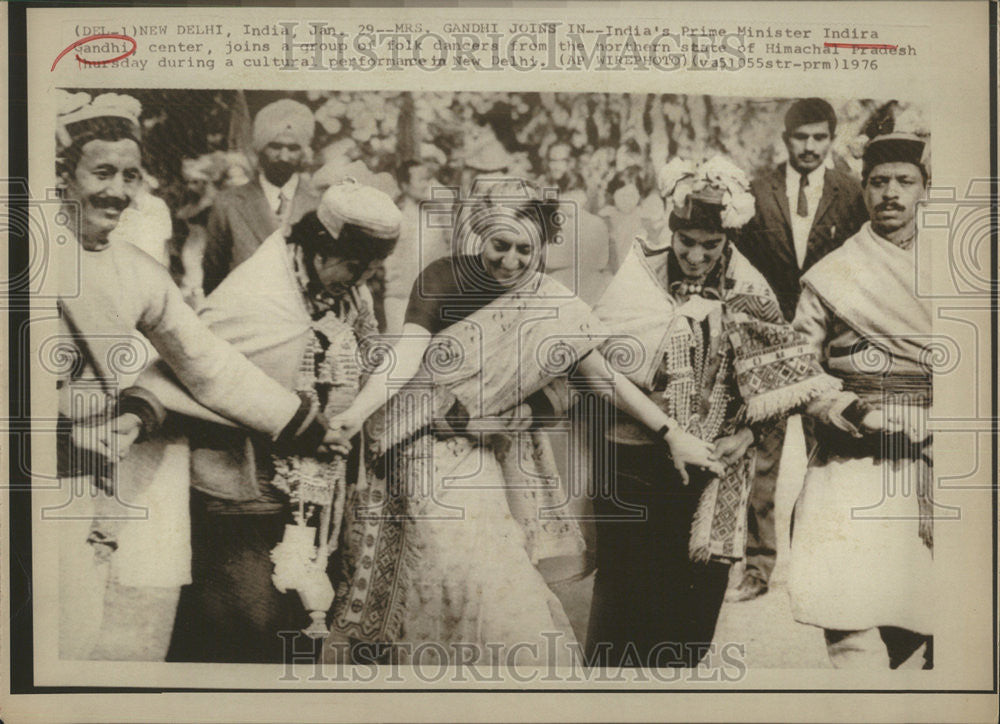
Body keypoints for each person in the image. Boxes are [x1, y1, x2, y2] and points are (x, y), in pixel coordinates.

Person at [322, 178, 722, 666]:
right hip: (417, 444)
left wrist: (671, 433)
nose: (511, 261)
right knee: (441, 577)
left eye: (524, 249)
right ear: (478, 236)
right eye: (500, 246)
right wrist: (355, 414)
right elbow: (407, 358)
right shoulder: (443, 277)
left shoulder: (548, 299)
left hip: (486, 455)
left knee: (491, 576)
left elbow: (601, 377)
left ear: (542, 248)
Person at [51, 91, 330, 661]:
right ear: (64, 174)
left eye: (130, 175)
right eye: (101, 172)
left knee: (121, 632)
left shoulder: (137, 270)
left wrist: (302, 423)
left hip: (111, 462)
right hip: (34, 471)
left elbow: (207, 363)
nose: (118, 191)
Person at [587, 156, 841, 668]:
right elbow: (596, 365)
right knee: (624, 604)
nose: (697, 256)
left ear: (728, 241)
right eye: (687, 242)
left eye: (711, 245)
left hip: (709, 469)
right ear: (671, 231)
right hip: (633, 459)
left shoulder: (748, 288)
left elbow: (782, 379)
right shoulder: (637, 280)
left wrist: (746, 436)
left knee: (689, 611)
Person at [160, 182, 399, 663]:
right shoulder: (256, 296)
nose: (358, 281)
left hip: (319, 492)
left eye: (369, 271)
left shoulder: (351, 294)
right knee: (246, 627)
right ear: (318, 249)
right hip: (242, 490)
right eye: (352, 266)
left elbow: (368, 356)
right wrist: (300, 422)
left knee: (303, 623)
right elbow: (204, 378)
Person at [789, 128, 936, 669]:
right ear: (864, 190)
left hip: (933, 458)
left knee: (932, 618)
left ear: (925, 188)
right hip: (853, 456)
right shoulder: (832, 276)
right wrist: (853, 411)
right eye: (878, 182)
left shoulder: (961, 271)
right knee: (848, 616)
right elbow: (798, 367)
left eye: (904, 181)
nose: (890, 193)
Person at [730, 98, 869, 602]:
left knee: (828, 457)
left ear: (831, 139)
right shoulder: (755, 192)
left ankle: (820, 568)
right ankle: (756, 569)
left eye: (818, 138)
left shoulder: (852, 193)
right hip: (766, 349)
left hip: (829, 351)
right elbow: (738, 266)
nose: (809, 147)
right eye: (799, 138)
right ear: (784, 139)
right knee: (761, 464)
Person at [201, 98, 320, 294]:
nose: (283, 156)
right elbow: (214, 276)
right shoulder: (228, 203)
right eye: (275, 146)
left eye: (293, 148)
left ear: (303, 152)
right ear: (259, 148)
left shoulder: (317, 205)